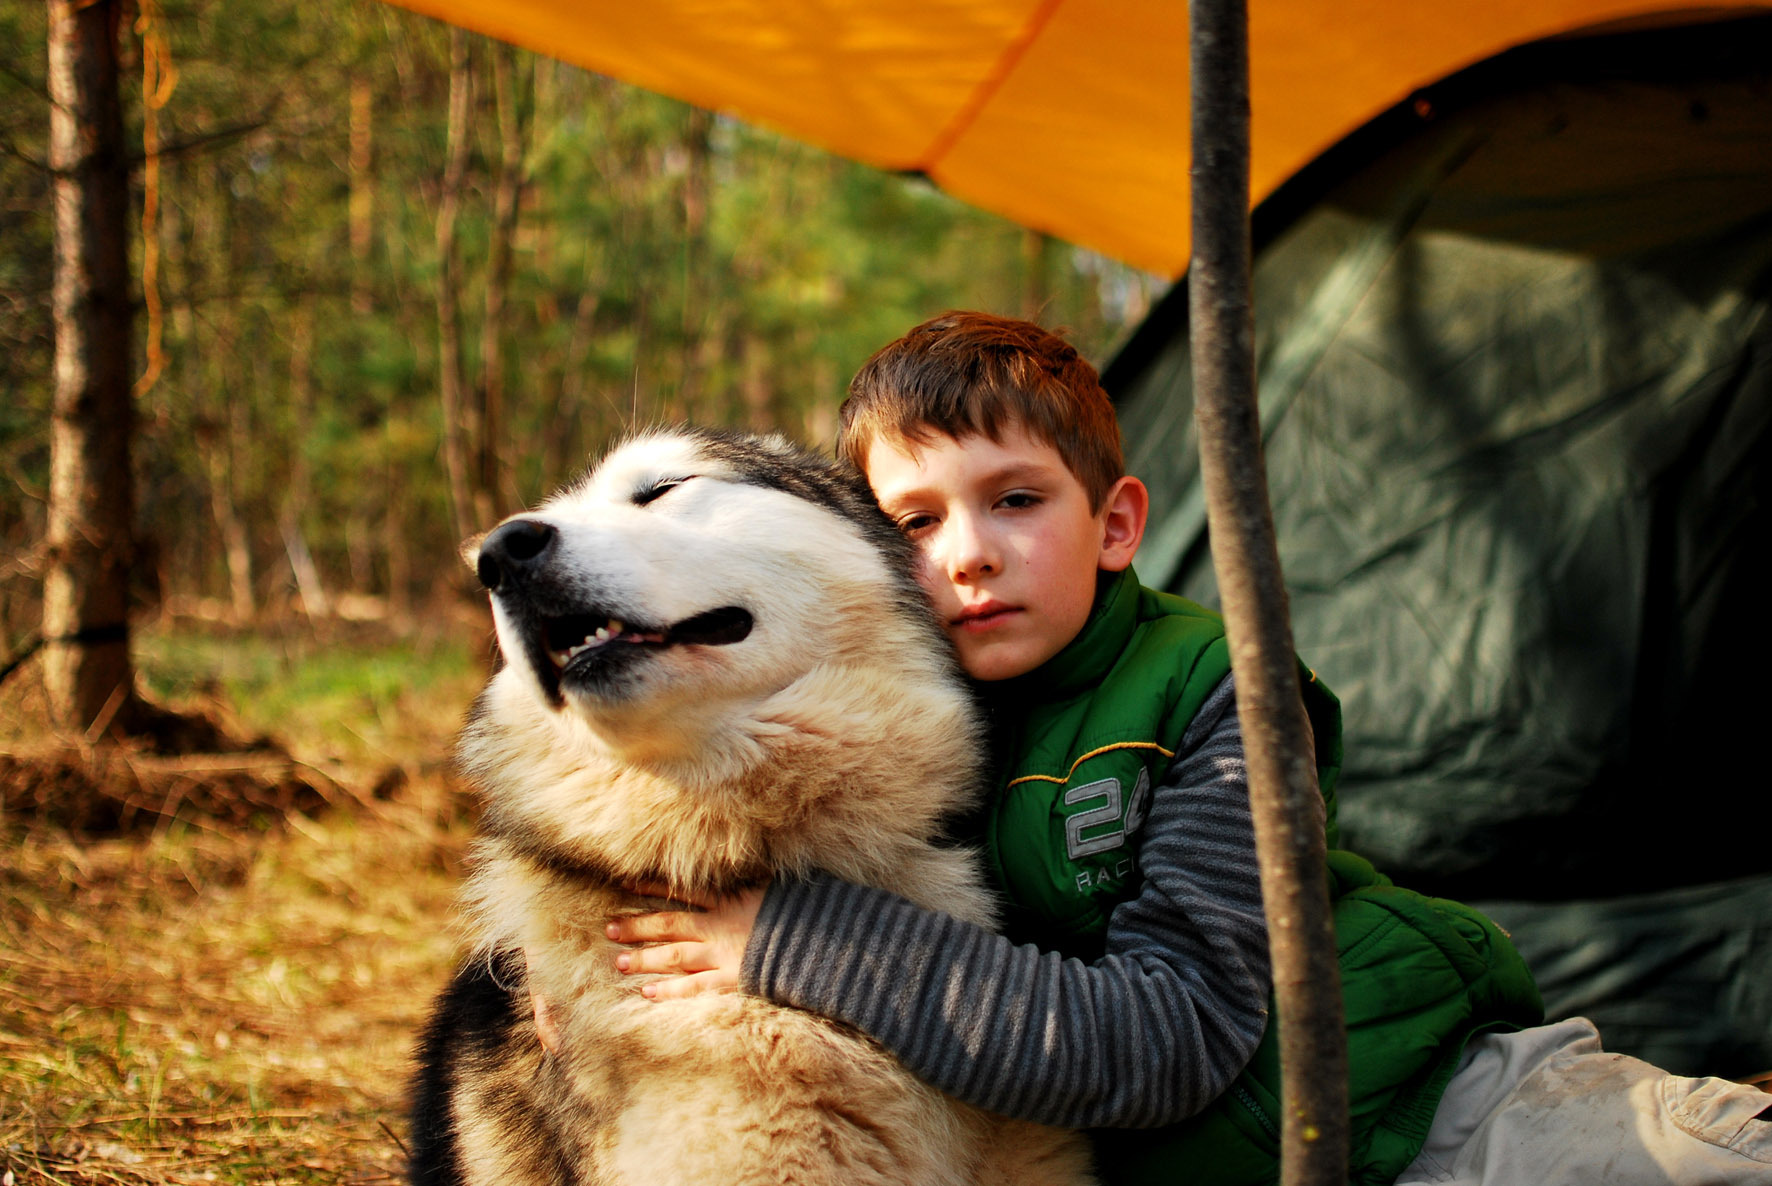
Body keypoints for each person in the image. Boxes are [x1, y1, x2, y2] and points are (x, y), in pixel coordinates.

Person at [594, 312, 1772, 1185]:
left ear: (1114, 524)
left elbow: (1171, 1038)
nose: (966, 553)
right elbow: (688, 899)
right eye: (914, 520)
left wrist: (800, 941)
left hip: (1426, 1106)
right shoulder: (874, 729)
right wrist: (593, 1003)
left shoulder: (1218, 694)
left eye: (1014, 500)